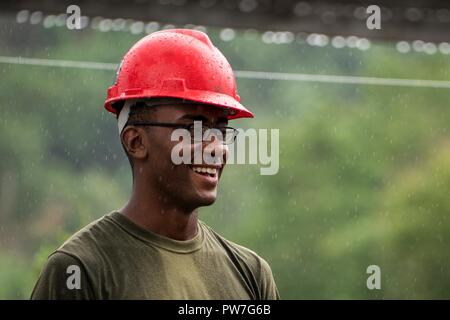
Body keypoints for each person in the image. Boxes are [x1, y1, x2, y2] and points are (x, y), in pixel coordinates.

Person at [31, 29, 279, 300]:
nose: (214, 148)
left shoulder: (251, 274)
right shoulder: (81, 270)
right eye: (192, 129)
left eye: (220, 130)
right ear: (136, 141)